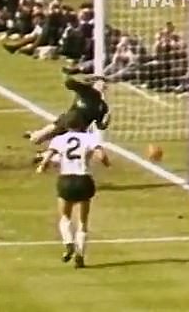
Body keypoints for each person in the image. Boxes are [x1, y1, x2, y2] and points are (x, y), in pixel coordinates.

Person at [35, 111, 110, 268]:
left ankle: (68, 242)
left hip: (66, 180)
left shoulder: (59, 139)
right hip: (84, 180)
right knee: (82, 222)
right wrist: (107, 163)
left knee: (65, 217)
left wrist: (42, 167)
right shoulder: (90, 138)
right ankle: (80, 255)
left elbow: (48, 156)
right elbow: (101, 156)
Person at [25, 77, 110, 146]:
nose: (101, 87)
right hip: (66, 121)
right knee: (36, 139)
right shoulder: (85, 91)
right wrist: (86, 82)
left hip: (78, 129)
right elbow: (69, 83)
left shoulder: (102, 106)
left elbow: (99, 125)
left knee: (65, 148)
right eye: (99, 84)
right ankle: (34, 136)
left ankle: (45, 156)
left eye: (103, 86)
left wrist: (105, 124)